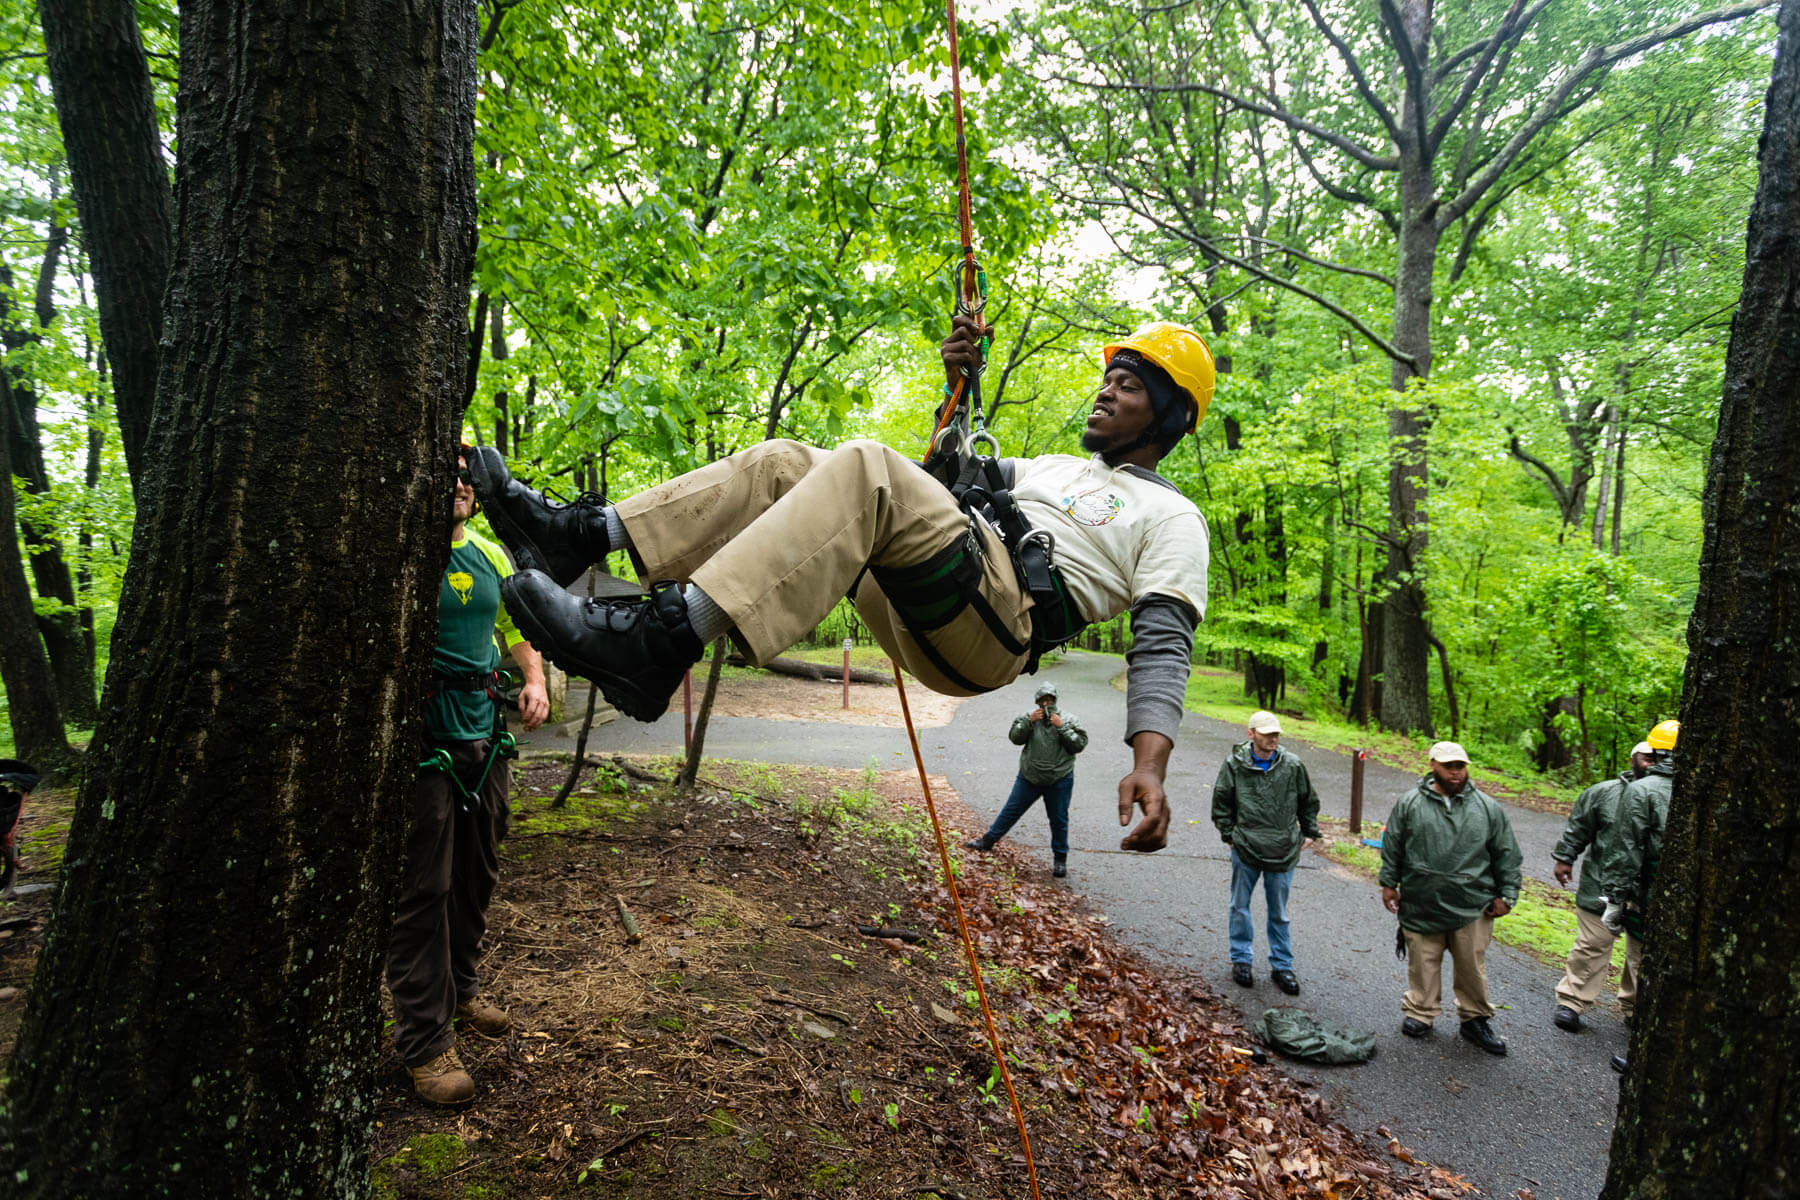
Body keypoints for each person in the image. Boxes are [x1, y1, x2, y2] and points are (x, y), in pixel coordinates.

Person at [467, 315, 1216, 853]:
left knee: (863, 464)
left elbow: (1161, 647)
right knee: (791, 462)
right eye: (1109, 379)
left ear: (1174, 414)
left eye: (1131, 386)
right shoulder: (1052, 468)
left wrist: (1148, 768)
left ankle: (660, 643)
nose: (1107, 392)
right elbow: (930, 487)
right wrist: (956, 386)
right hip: (937, 588)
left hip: (997, 623)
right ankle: (581, 538)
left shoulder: (1172, 516)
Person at [388, 447, 550, 1105]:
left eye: (466, 476)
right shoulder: (403, 555)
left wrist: (534, 678)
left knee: (476, 875)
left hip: (486, 740)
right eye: (446, 473)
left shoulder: (489, 555)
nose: (458, 485)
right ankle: (425, 1043)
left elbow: (517, 626)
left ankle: (462, 993)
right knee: (423, 889)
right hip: (423, 747)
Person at [1379, 742, 1523, 1056]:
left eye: (1460, 766)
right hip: (1421, 901)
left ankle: (1475, 1019)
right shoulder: (1410, 804)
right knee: (1423, 962)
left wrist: (1507, 894)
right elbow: (1393, 846)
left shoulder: (1487, 807)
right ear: (1433, 765)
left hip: (1472, 904)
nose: (1456, 773)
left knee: (1471, 966)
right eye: (1449, 767)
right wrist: (1388, 883)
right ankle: (1421, 1011)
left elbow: (1506, 854)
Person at [1210, 710, 1321, 995]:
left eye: (1276, 734)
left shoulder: (1292, 765)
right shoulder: (1234, 764)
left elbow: (1308, 800)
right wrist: (1230, 835)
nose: (1273, 739)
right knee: (1239, 906)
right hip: (1246, 846)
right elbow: (1221, 801)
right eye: (1267, 734)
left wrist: (1310, 832)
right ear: (1251, 734)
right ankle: (1241, 959)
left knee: (1279, 912)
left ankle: (1282, 966)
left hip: (1283, 850)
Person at [1550, 741, 1653, 1033]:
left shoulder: (1670, 797)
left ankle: (1636, 1008)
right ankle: (1572, 1002)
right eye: (1647, 758)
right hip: (1601, 882)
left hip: (1647, 893)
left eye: (1659, 758)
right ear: (1633, 759)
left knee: (1642, 952)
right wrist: (1565, 858)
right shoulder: (1604, 793)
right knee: (1593, 944)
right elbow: (1578, 827)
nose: (1652, 764)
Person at [1596, 719, 1679, 1074]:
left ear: (1657, 752)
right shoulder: (1719, 786)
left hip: (1651, 904)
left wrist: (1615, 901)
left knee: (1648, 971)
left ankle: (1649, 1056)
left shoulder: (1644, 791)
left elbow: (1625, 850)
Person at [964, 681, 1089, 877]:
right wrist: (1029, 721)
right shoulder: (1028, 717)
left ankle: (1060, 859)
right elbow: (1015, 738)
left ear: (1055, 700)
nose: (1046, 704)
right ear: (1038, 702)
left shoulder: (1069, 720)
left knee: (1059, 819)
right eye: (1042, 700)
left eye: (1050, 700)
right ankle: (987, 841)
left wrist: (1062, 727)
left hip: (1059, 778)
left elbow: (1079, 744)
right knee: (1011, 810)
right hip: (1029, 776)